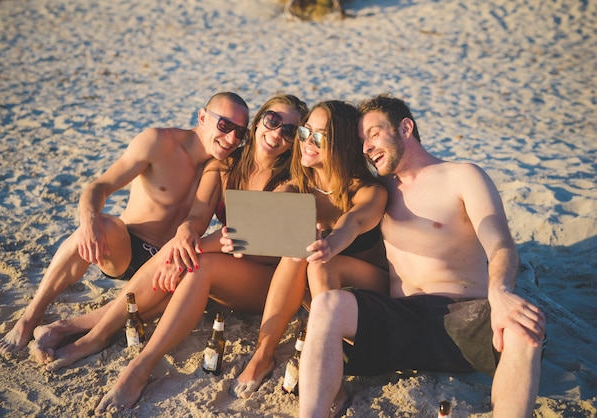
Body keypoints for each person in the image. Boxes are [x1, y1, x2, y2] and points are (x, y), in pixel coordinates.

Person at [27, 94, 308, 413]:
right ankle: (79, 330)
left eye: (289, 131)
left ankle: (138, 365)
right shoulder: (224, 164)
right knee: (188, 258)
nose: (277, 134)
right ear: (258, 121)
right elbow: (197, 218)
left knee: (193, 261)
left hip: (266, 281)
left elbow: (250, 233)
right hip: (225, 263)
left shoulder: (290, 180)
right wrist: (186, 234)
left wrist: (186, 248)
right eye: (273, 121)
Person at [298, 94, 547, 418]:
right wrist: (332, 241)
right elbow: (356, 219)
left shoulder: (462, 176)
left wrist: (499, 293)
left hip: (466, 314)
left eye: (374, 133)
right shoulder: (382, 189)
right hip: (402, 317)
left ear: (405, 127)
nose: (367, 148)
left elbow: (500, 243)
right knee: (327, 305)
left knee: (523, 327)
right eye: (361, 141)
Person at [0, 92, 250, 355]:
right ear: (202, 117)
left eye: (240, 133)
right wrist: (89, 220)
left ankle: (64, 328)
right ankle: (29, 318)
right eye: (224, 126)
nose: (231, 138)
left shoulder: (225, 167)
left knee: (189, 289)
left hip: (168, 263)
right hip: (126, 248)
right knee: (103, 226)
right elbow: (100, 186)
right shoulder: (158, 142)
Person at [231, 100, 390, 399]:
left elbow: (352, 223)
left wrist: (330, 244)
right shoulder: (297, 186)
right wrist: (239, 238)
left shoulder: (368, 191)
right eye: (306, 132)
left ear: (342, 145)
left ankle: (333, 374)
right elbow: (265, 219)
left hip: (371, 296)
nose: (306, 141)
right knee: (297, 253)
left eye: (319, 136)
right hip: (320, 297)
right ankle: (263, 355)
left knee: (319, 261)